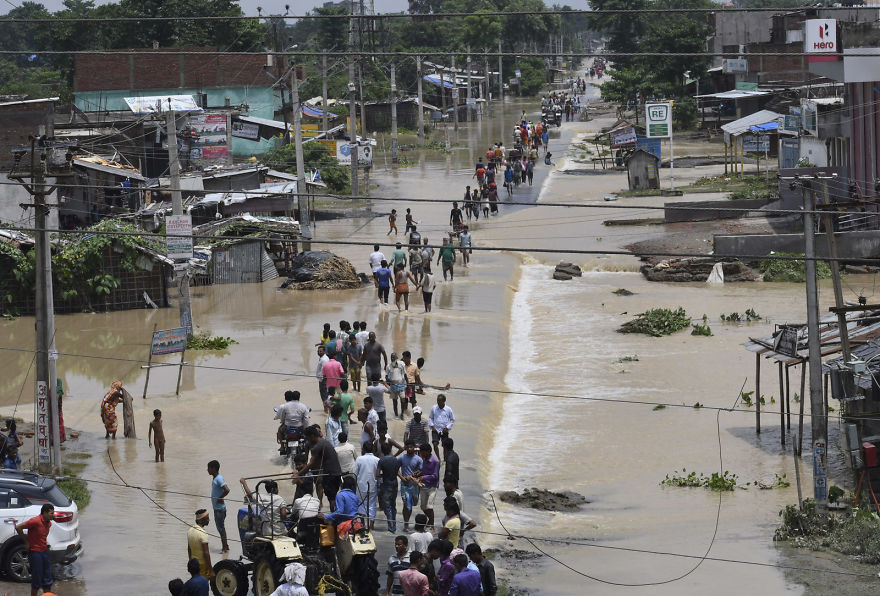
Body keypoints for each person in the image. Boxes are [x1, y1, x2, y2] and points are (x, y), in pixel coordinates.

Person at [296, 425, 343, 511]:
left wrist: (298, 474)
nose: (307, 440)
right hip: (337, 472)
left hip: (330, 474)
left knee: (331, 498)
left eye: (307, 437)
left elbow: (310, 463)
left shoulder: (318, 446)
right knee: (332, 496)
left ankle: (333, 520)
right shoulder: (324, 442)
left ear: (312, 436)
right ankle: (333, 515)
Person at [15, 503, 56, 596]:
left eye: (53, 513)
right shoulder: (35, 521)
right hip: (35, 553)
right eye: (51, 513)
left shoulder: (48, 523)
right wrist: (26, 542)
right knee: (36, 579)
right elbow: (18, 527)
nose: (53, 515)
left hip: (44, 552)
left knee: (47, 578)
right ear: (44, 513)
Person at [353, 440, 380, 528]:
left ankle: (363, 523)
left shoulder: (359, 459)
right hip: (373, 485)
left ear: (363, 449)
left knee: (361, 504)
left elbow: (354, 474)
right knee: (372, 504)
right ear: (373, 449)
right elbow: (379, 475)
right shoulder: (377, 460)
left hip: (361, 486)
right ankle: (371, 524)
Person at [398, 439, 423, 533]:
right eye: (407, 447)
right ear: (405, 447)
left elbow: (421, 471)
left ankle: (407, 522)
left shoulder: (419, 459)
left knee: (412, 504)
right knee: (406, 505)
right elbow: (396, 469)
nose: (409, 448)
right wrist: (402, 478)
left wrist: (416, 475)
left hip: (414, 486)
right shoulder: (401, 458)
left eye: (411, 447)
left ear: (414, 447)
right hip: (404, 485)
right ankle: (406, 524)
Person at [376, 441, 401, 532]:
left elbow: (377, 474)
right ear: (390, 449)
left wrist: (384, 475)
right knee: (393, 505)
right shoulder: (396, 460)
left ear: (382, 451)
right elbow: (397, 471)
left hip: (386, 485)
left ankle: (391, 526)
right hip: (395, 484)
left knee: (386, 506)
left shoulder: (381, 460)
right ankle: (393, 524)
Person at [207, 460, 230, 553]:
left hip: (220, 510)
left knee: (221, 528)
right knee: (220, 528)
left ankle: (224, 548)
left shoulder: (219, 479)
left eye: (208, 468)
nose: (207, 470)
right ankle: (226, 546)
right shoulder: (215, 478)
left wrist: (220, 498)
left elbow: (227, 490)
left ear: (213, 468)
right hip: (217, 509)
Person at [416, 443, 440, 527]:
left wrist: (424, 477)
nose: (421, 454)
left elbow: (435, 476)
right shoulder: (424, 460)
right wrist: (419, 473)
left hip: (432, 486)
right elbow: (424, 470)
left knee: (429, 507)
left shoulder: (435, 461)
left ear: (428, 451)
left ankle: (431, 524)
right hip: (423, 486)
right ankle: (430, 521)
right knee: (423, 507)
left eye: (422, 452)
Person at [186, 509, 213, 581]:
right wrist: (211, 570)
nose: (209, 520)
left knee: (195, 582)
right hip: (202, 565)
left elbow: (189, 549)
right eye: (207, 519)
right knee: (203, 584)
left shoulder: (190, 530)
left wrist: (190, 561)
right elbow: (206, 553)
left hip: (194, 564)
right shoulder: (203, 534)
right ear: (201, 520)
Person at [429, 394, 454, 460]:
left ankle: (445, 459)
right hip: (435, 429)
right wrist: (432, 426)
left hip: (444, 430)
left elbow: (452, 419)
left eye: (440, 401)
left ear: (444, 401)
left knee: (445, 446)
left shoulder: (448, 409)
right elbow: (431, 418)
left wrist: (447, 427)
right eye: (437, 400)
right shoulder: (434, 408)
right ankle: (439, 459)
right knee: (435, 444)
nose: (438, 402)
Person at [385, 354, 407, 418]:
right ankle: (396, 415)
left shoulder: (401, 364)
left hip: (401, 385)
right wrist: (388, 379)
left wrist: (407, 383)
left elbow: (405, 374)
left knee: (403, 400)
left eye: (393, 357)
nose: (392, 358)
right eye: (391, 357)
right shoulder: (388, 366)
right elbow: (386, 376)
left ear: (396, 358)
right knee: (395, 401)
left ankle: (402, 414)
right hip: (393, 386)